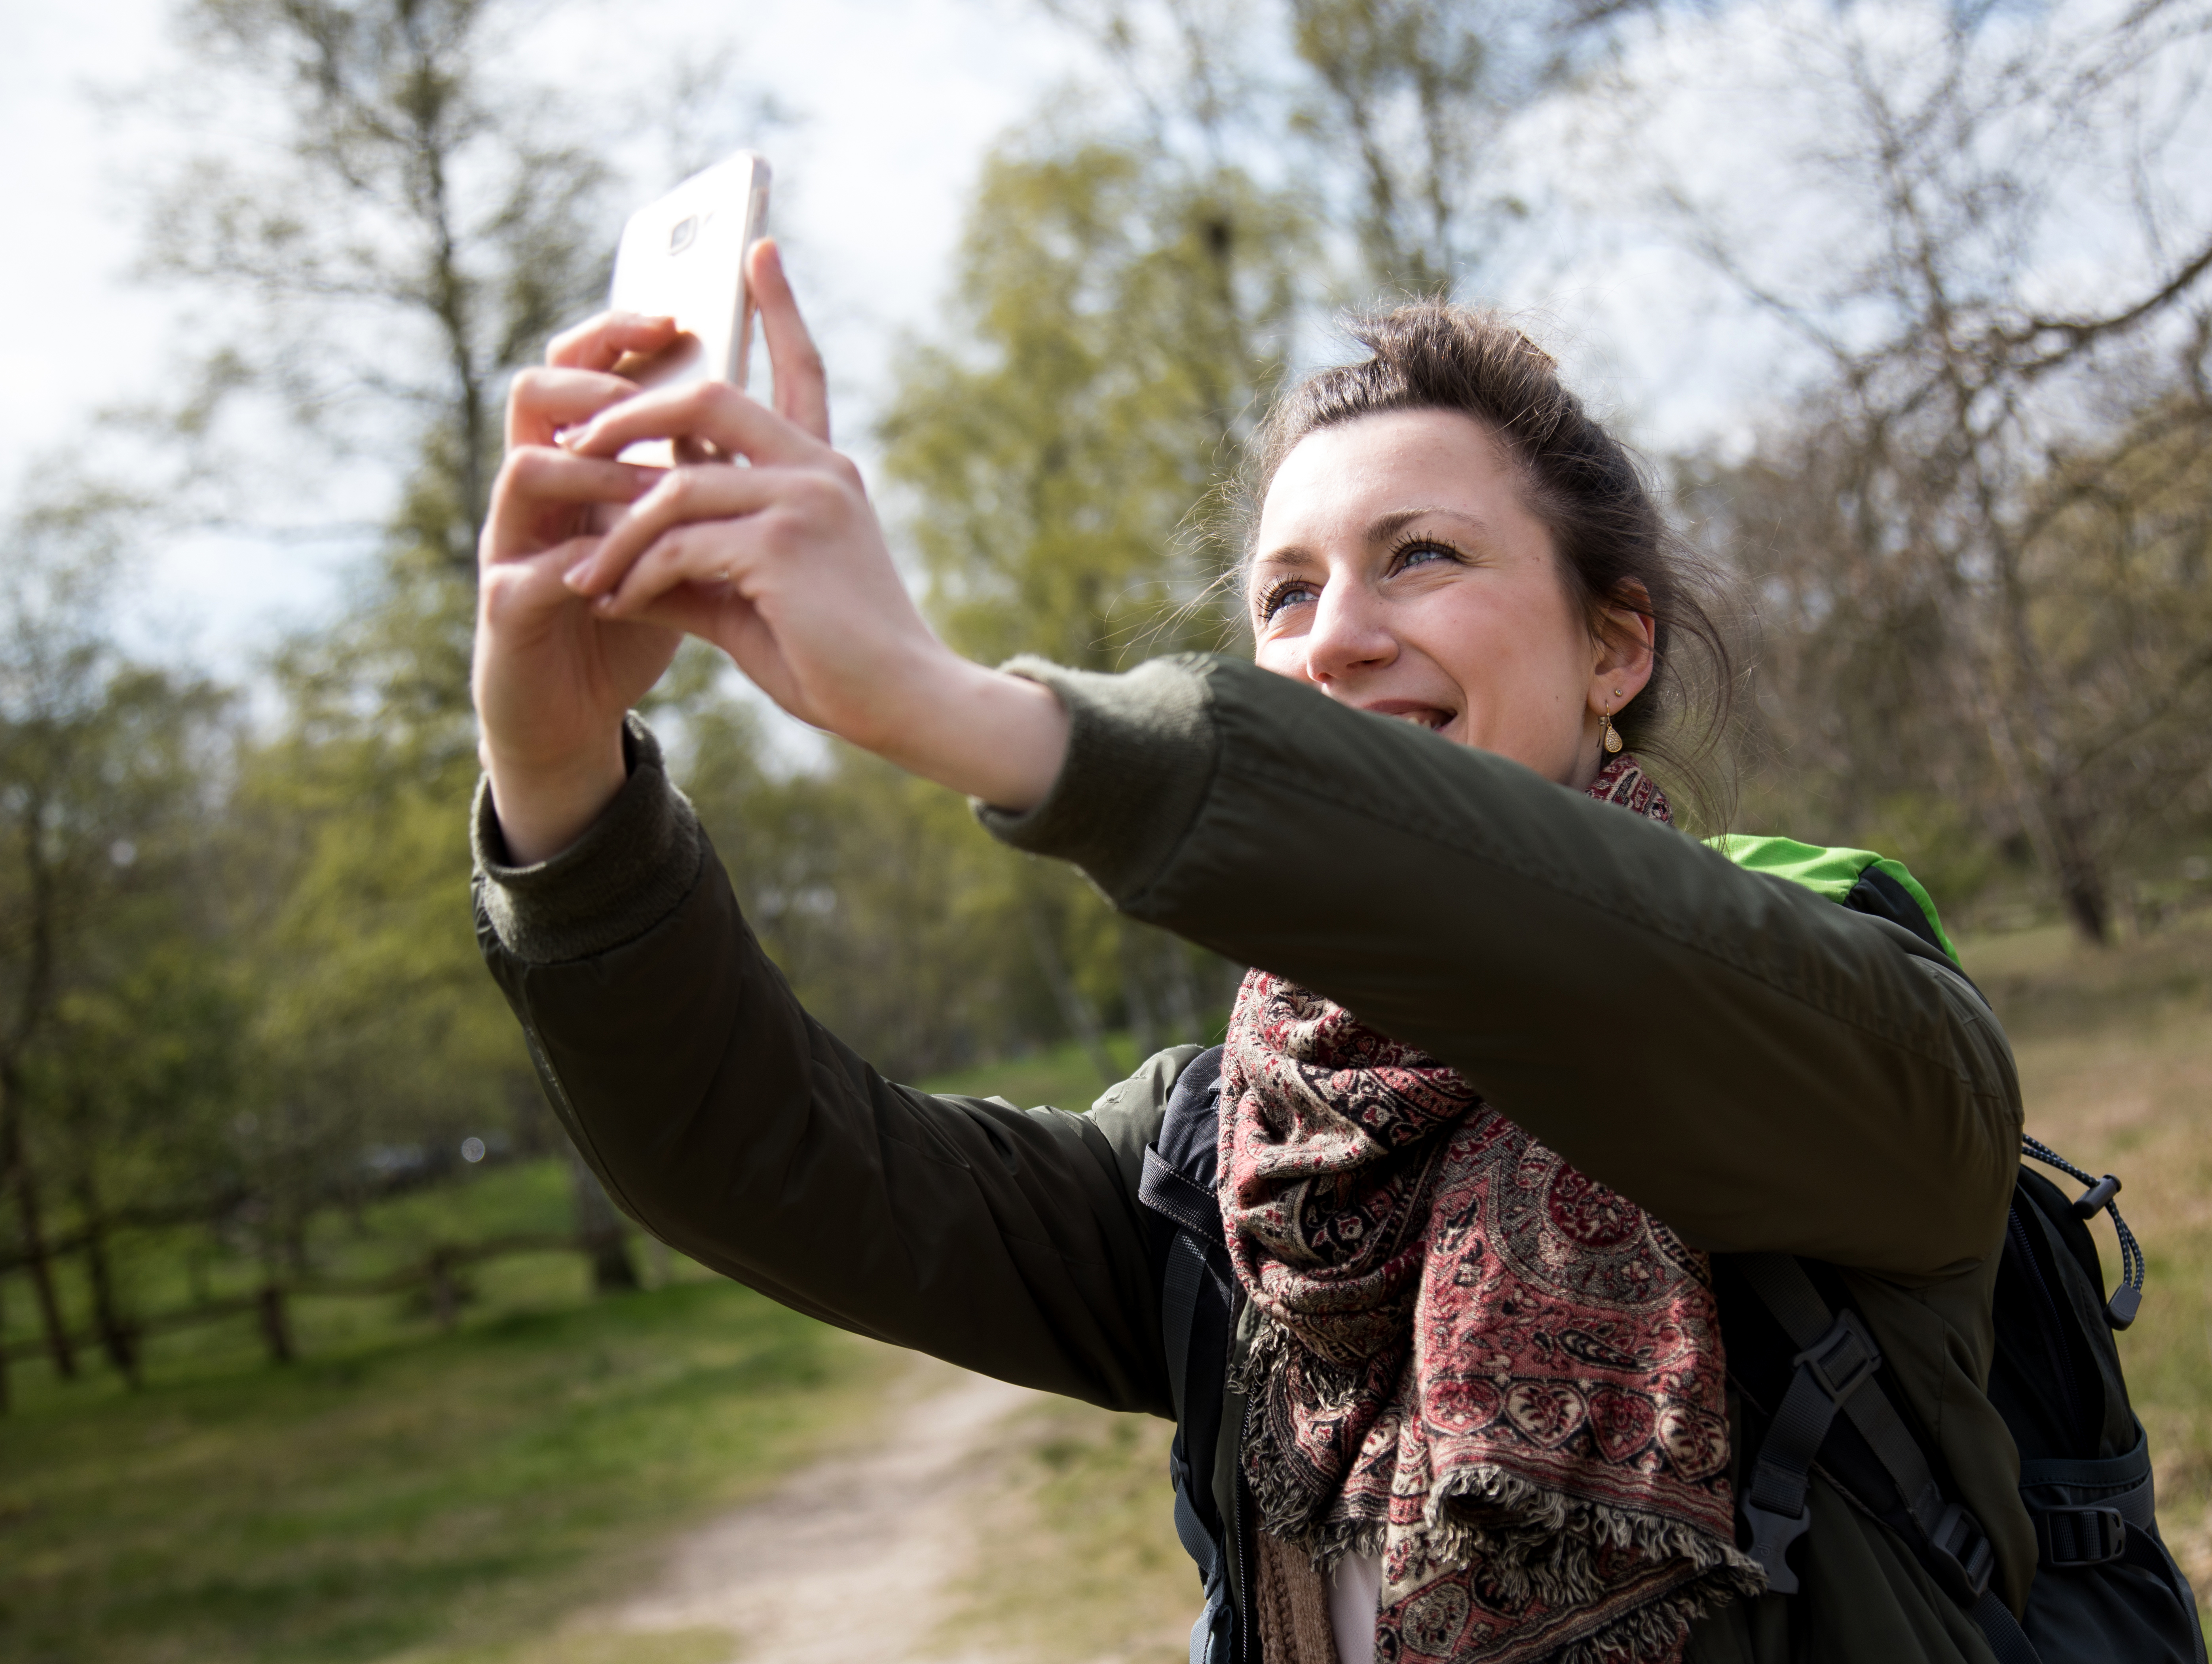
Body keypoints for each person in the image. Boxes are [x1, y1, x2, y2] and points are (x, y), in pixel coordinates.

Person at [468, 237, 2028, 1664]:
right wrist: (555, 775)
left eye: (1419, 554)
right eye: (1284, 590)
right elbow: (758, 1157)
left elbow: (1588, 945)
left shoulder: (1844, 1006)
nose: (1330, 636)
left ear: (1613, 646)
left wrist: (967, 712)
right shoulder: (1226, 1160)